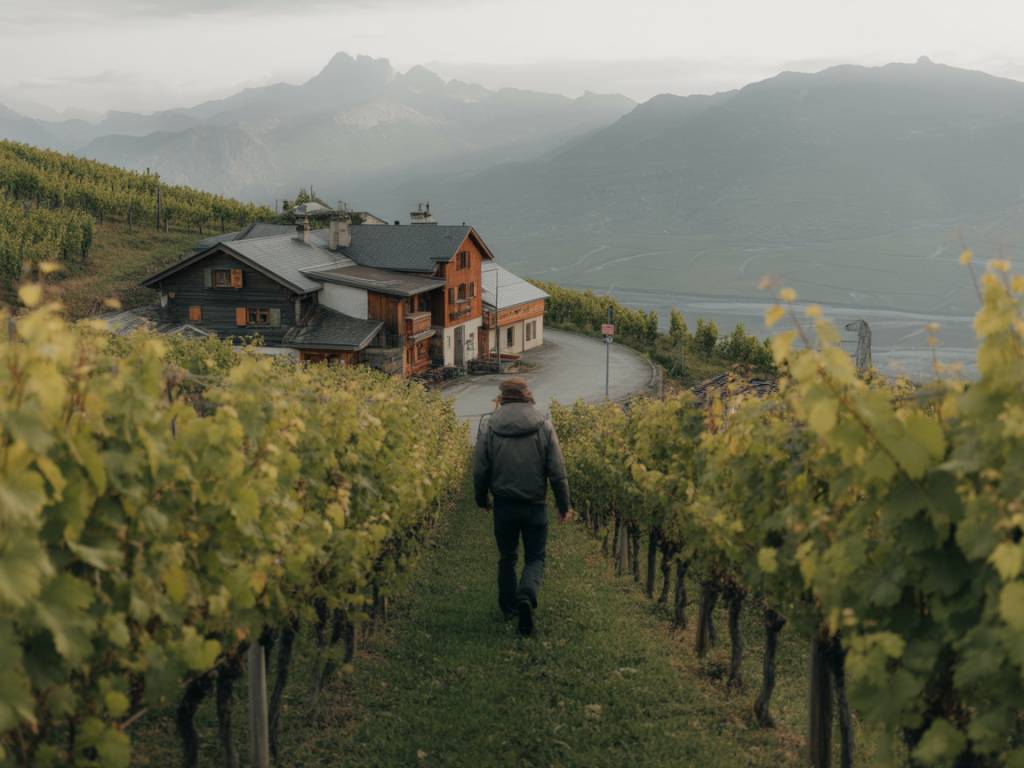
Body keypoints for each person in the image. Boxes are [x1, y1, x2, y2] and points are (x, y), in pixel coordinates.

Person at [473, 377, 572, 637]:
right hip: (534, 504)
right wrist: (564, 505)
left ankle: (509, 608)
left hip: (504, 504)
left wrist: (482, 499)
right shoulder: (543, 423)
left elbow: (481, 468)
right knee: (535, 557)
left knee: (507, 557)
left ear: (502, 397)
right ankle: (526, 595)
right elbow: (557, 470)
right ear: (526, 395)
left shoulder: (489, 425)